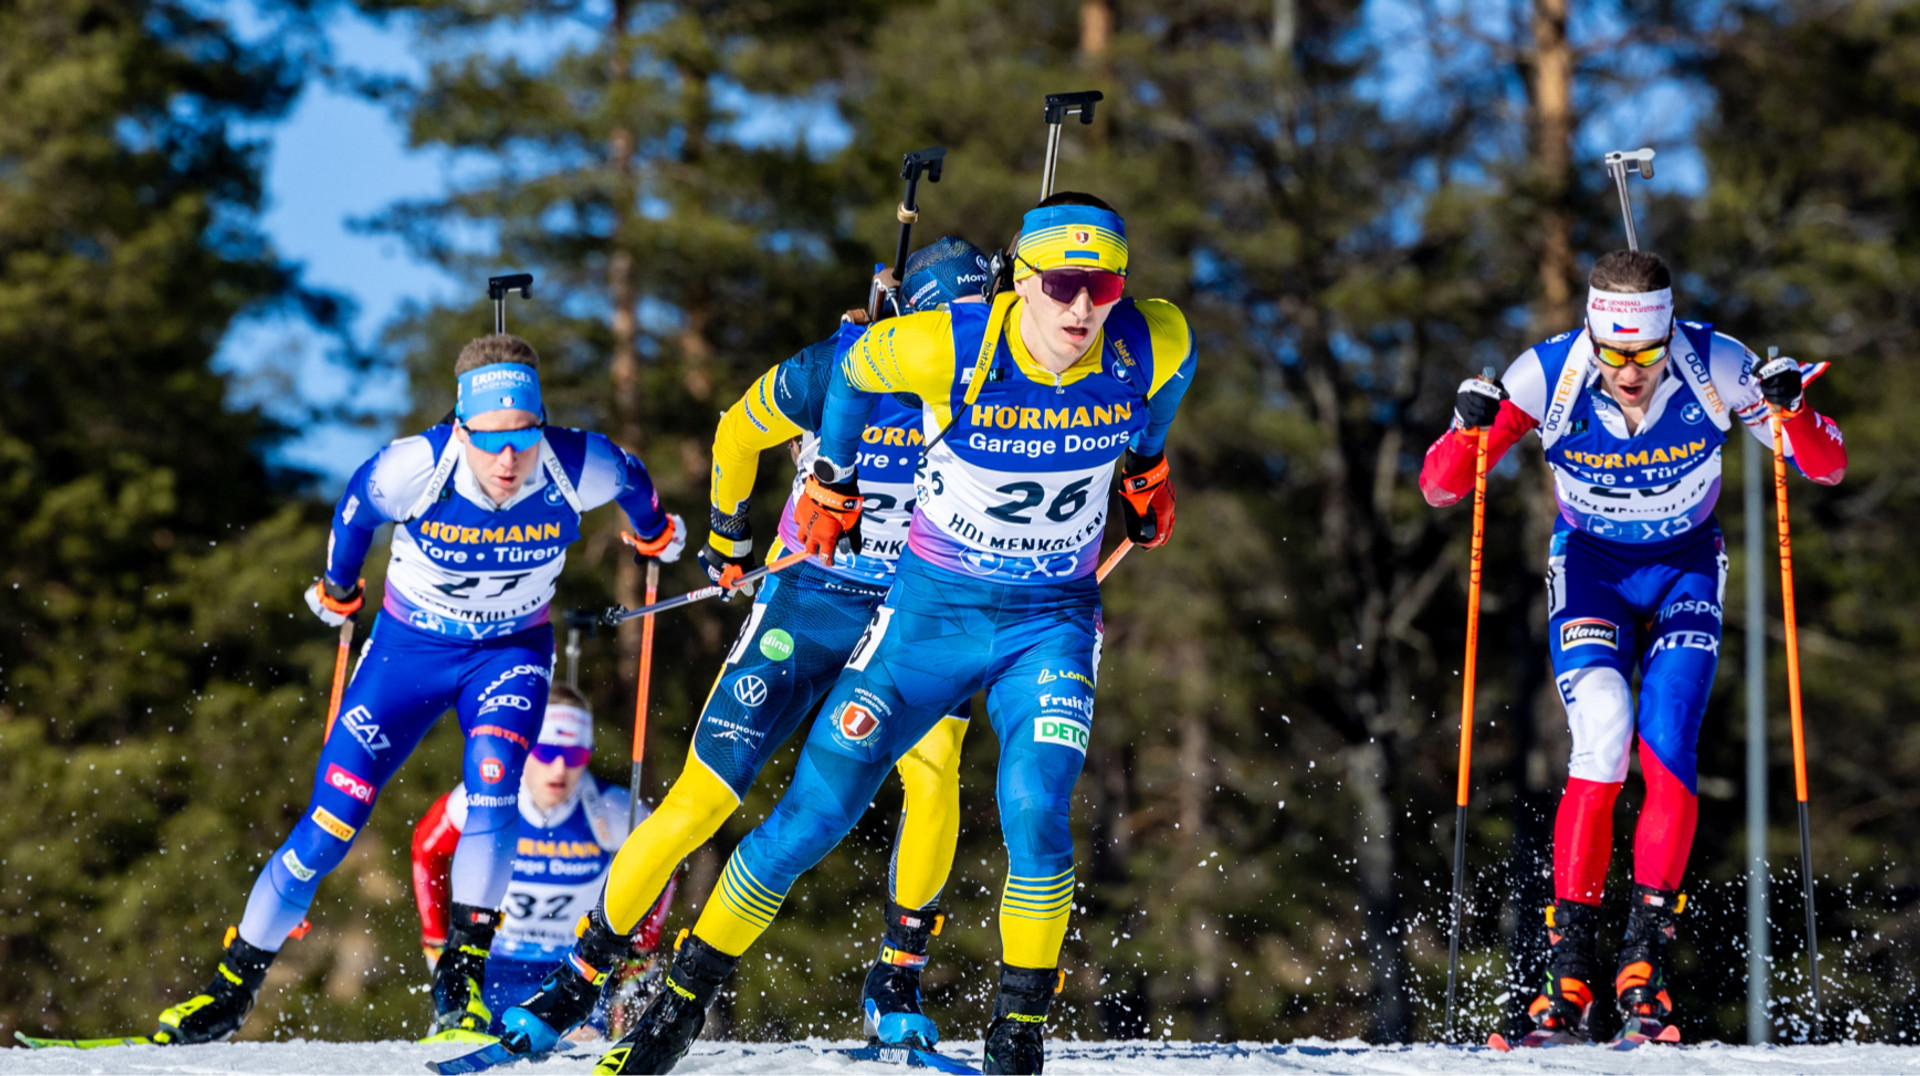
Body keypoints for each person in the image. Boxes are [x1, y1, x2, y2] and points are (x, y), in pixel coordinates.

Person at [598, 193, 1196, 1076]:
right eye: (1064, 285)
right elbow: (851, 372)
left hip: (1050, 626)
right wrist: (832, 481)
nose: (1082, 308)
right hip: (928, 622)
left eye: (1102, 286)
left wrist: (1144, 464)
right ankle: (681, 1000)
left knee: (1035, 809)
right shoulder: (946, 343)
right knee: (812, 816)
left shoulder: (1155, 337)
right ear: (1022, 282)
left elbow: (1165, 387)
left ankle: (1016, 1038)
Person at [491, 238, 994, 1058]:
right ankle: (583, 970)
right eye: (952, 326)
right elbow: (735, 431)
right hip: (813, 595)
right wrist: (729, 534)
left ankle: (898, 971)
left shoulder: (1012, 375)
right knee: (705, 795)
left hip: (920, 606)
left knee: (933, 767)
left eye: (980, 324)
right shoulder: (837, 367)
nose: (966, 347)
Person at [150, 334, 685, 1045]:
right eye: (490, 440)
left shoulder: (575, 462)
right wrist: (339, 587)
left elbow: (633, 480)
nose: (507, 460)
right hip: (407, 655)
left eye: (523, 437)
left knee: (494, 793)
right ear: (460, 427)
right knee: (329, 826)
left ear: (541, 426)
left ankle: (460, 988)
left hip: (509, 654)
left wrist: (655, 533)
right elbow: (354, 509)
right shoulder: (415, 467)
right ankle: (231, 988)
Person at [1419, 250, 1847, 1042]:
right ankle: (1569, 975)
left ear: (1667, 333)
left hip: (1685, 564)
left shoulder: (1718, 363)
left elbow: (1825, 466)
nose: (1628, 372)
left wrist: (1792, 412)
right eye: (1613, 353)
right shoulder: (1545, 377)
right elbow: (1442, 486)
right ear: (1591, 333)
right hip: (1590, 568)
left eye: (1645, 354)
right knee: (1604, 735)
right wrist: (1467, 428)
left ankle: (1643, 968)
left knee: (1668, 741)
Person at [412, 684, 671, 1035]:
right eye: (547, 751)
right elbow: (427, 849)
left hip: (572, 970)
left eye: (575, 755)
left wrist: (639, 948)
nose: (561, 769)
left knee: (579, 1049)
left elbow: (665, 865)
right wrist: (438, 937)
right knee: (465, 1046)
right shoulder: (485, 797)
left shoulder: (614, 810)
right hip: (491, 964)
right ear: (526, 746)